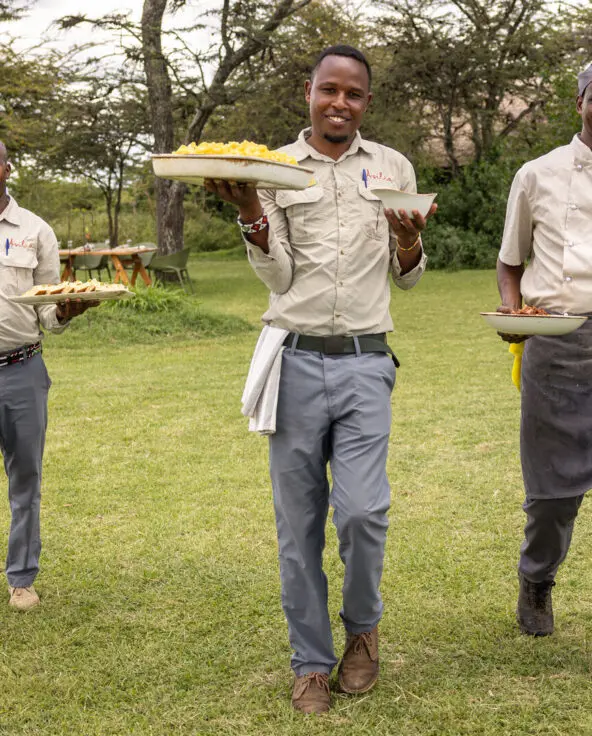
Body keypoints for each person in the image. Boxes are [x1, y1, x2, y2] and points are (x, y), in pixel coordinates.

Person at [206, 44, 436, 713]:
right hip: (296, 362)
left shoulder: (392, 167)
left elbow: (412, 275)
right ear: (308, 91)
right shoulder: (271, 170)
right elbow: (277, 277)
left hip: (367, 362)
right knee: (297, 522)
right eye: (329, 89)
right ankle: (310, 661)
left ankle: (361, 633)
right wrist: (251, 209)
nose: (341, 102)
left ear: (367, 101)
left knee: (364, 511)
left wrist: (408, 240)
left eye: (354, 93)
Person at [496, 63, 592, 637]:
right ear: (581, 99)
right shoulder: (537, 174)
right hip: (558, 342)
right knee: (554, 489)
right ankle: (537, 579)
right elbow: (510, 263)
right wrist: (514, 311)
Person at [0, 141, 97, 611]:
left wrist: (69, 311)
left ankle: (21, 578)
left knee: (26, 479)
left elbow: (49, 314)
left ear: (6, 168)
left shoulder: (34, 230)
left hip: (21, 369)